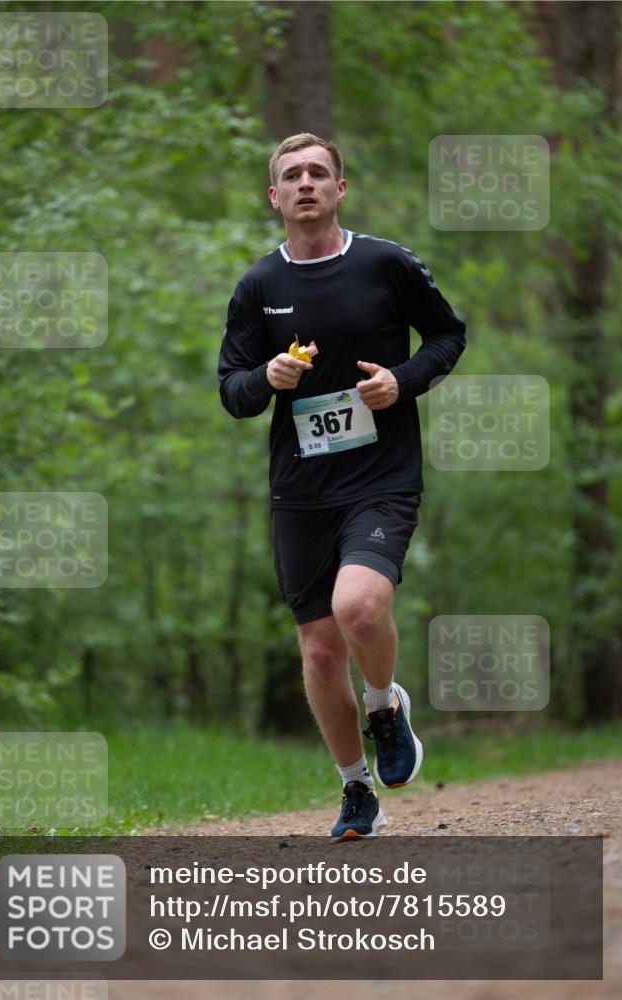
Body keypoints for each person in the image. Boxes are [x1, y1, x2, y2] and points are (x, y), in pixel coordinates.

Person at [218, 133, 466, 840]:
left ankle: (384, 705)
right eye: (290, 175)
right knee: (321, 651)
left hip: (380, 477)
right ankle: (355, 789)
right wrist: (264, 378)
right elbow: (231, 392)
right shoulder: (258, 287)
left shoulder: (383, 263)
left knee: (357, 606)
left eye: (317, 173)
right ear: (274, 197)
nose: (304, 183)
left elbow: (447, 335)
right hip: (299, 490)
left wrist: (403, 380)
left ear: (339, 189)